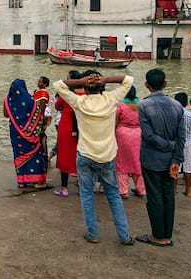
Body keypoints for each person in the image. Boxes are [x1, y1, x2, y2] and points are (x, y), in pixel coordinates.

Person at [53, 70, 135, 245]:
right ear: (103, 86)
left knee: (87, 195)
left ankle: (92, 234)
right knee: (113, 196)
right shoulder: (111, 99)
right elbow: (128, 80)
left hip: (85, 155)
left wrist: (80, 81)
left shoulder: (79, 101)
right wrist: (106, 78)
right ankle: (124, 236)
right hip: (107, 156)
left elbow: (58, 85)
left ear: (85, 87)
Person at [136, 68, 184, 247]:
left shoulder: (143, 106)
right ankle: (166, 234)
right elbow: (182, 137)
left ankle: (158, 235)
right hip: (171, 159)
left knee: (155, 196)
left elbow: (148, 136)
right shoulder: (177, 106)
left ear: (146, 85)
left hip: (151, 158)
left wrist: (167, 146)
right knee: (168, 196)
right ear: (165, 84)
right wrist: (176, 158)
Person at [3, 79, 49, 191]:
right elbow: (39, 115)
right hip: (30, 133)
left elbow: (5, 114)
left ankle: (22, 181)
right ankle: (38, 181)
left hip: (15, 131)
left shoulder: (7, 100)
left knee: (19, 155)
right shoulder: (30, 100)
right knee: (35, 154)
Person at [53, 70, 83, 197]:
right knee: (81, 155)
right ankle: (82, 187)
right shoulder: (84, 94)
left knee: (64, 155)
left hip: (66, 126)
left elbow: (57, 105)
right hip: (81, 126)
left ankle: (64, 188)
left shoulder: (66, 94)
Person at [115, 86, 146, 199]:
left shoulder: (120, 106)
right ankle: (141, 189)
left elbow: (116, 122)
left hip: (123, 135)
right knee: (138, 162)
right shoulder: (141, 106)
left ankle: (123, 191)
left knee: (122, 162)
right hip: (138, 135)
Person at [173, 92, 191, 197]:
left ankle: (174, 190)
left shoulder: (172, 114)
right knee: (189, 168)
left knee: (175, 167)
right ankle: (188, 191)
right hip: (188, 143)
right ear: (186, 103)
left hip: (176, 143)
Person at [34, 76, 52, 168]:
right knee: (41, 136)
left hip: (41, 117)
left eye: (40, 82)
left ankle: (44, 155)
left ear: (44, 84)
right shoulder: (39, 92)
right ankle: (42, 155)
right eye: (38, 81)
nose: (38, 83)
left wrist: (39, 119)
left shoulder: (43, 93)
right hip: (41, 117)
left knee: (41, 136)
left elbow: (42, 107)